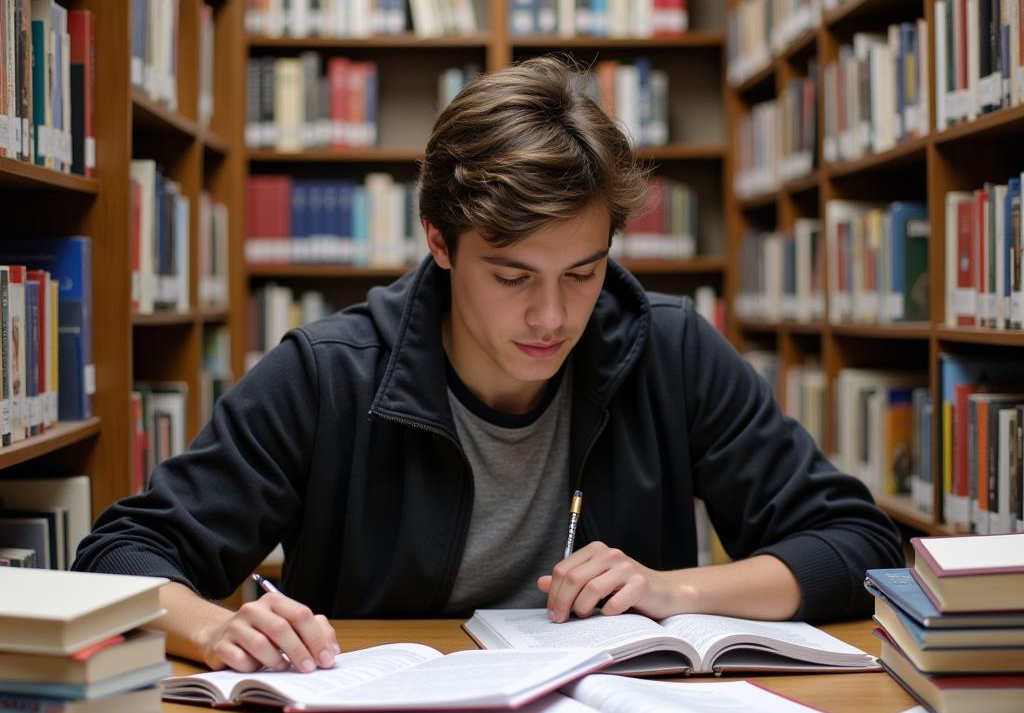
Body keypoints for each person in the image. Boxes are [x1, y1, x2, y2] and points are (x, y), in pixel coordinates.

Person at [72, 56, 902, 674]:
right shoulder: (329, 374)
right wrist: (214, 628)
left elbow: (861, 544)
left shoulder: (666, 347)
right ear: (440, 243)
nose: (552, 317)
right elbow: (122, 553)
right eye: (512, 278)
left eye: (583, 273)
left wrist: (677, 590)